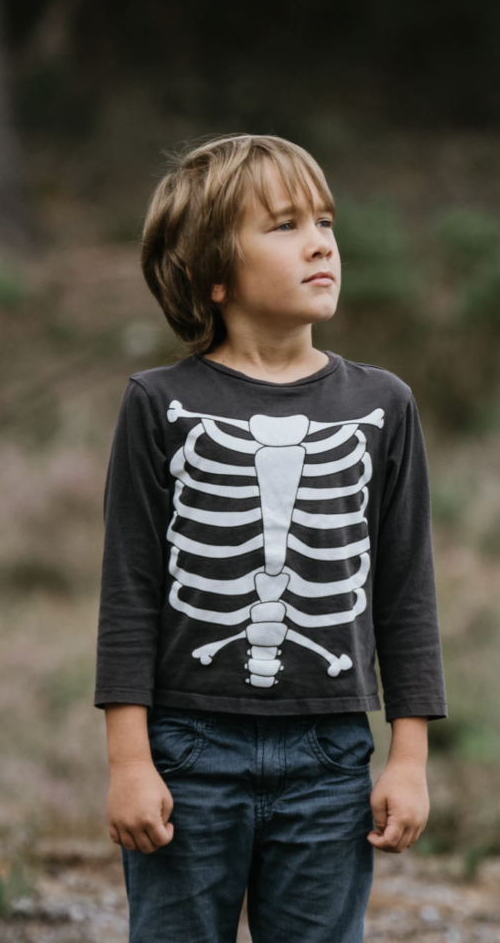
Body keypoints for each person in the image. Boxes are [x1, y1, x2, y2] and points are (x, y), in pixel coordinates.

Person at [95, 134, 446, 943]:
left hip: (330, 754)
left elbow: (405, 591)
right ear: (212, 275)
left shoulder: (384, 405)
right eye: (284, 225)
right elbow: (130, 590)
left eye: (325, 220)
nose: (321, 240)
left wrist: (409, 757)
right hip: (186, 749)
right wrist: (129, 762)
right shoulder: (157, 403)